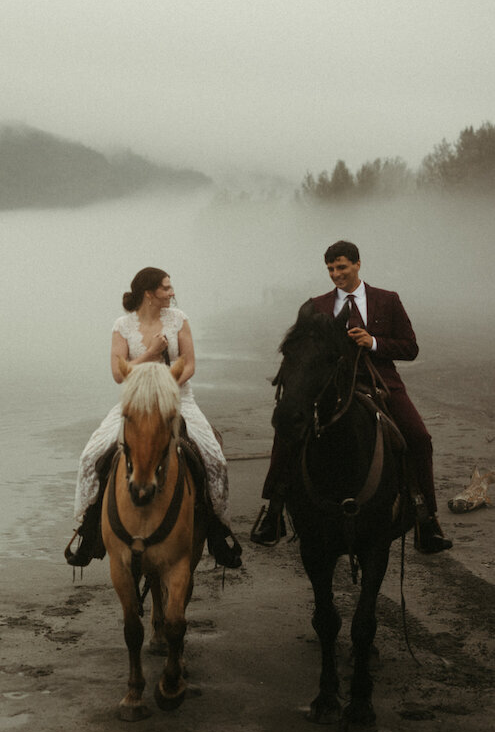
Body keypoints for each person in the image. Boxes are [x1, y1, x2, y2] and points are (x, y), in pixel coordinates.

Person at [251, 240, 452, 554]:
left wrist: (373, 341)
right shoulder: (315, 305)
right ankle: (273, 510)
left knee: (419, 437)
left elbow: (410, 347)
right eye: (330, 269)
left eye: (341, 267)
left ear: (358, 264)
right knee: (287, 432)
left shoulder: (387, 300)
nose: (335, 274)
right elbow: (302, 350)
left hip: (379, 382)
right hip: (327, 386)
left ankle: (427, 518)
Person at [65, 266, 242, 569]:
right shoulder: (122, 325)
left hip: (179, 398)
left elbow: (190, 364)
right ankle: (89, 531)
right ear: (149, 293)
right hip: (137, 400)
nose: (172, 293)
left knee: (214, 459)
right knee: (90, 455)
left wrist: (167, 387)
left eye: (171, 288)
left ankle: (217, 531)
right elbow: (118, 374)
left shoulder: (179, 319)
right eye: (166, 288)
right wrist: (152, 352)